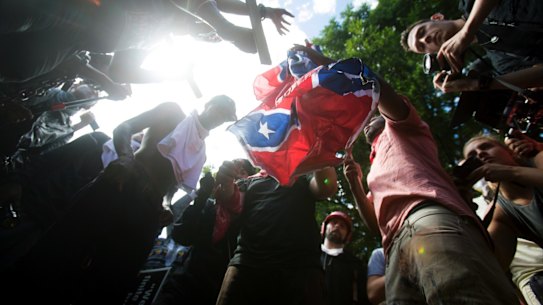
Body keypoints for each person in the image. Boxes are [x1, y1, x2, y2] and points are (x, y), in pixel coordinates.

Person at [4, 95, 237, 304]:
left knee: (110, 281)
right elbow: (124, 127)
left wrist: (164, 206)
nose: (219, 118)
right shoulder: (172, 112)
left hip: (146, 212)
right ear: (208, 104)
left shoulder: (201, 151)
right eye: (218, 110)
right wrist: (126, 158)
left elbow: (170, 189)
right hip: (123, 183)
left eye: (224, 117)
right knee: (58, 249)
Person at [335, 59, 520, 303]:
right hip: (394, 248)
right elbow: (375, 224)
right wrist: (356, 185)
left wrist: (338, 68)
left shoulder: (404, 128)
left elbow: (382, 92)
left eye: (371, 117)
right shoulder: (373, 170)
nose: (367, 122)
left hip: (430, 221)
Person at [0, 0, 293, 83]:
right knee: (32, 12)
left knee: (21, 65)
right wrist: (262, 12)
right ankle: (222, 27)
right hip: (90, 8)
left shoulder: (154, 39)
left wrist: (178, 77)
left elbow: (120, 73)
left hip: (81, 39)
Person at [214, 160, 337, 305]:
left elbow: (327, 187)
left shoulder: (304, 175)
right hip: (247, 266)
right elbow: (233, 201)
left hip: (301, 270)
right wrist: (226, 181)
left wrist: (318, 151)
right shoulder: (250, 181)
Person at [154, 159, 256, 305]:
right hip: (183, 285)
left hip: (218, 292)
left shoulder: (251, 215)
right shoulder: (210, 206)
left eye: (242, 172)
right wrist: (202, 196)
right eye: (232, 170)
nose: (235, 175)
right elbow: (181, 236)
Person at [462, 134, 543, 270]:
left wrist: (511, 172)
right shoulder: (501, 213)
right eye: (472, 156)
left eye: (486, 147)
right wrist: (463, 207)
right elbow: (494, 265)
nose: (480, 153)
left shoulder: (538, 159)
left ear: (509, 150)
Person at [320, 211, 371, 305]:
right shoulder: (309, 256)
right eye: (334, 222)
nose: (337, 226)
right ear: (323, 228)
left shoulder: (356, 266)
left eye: (342, 226)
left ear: (348, 236)